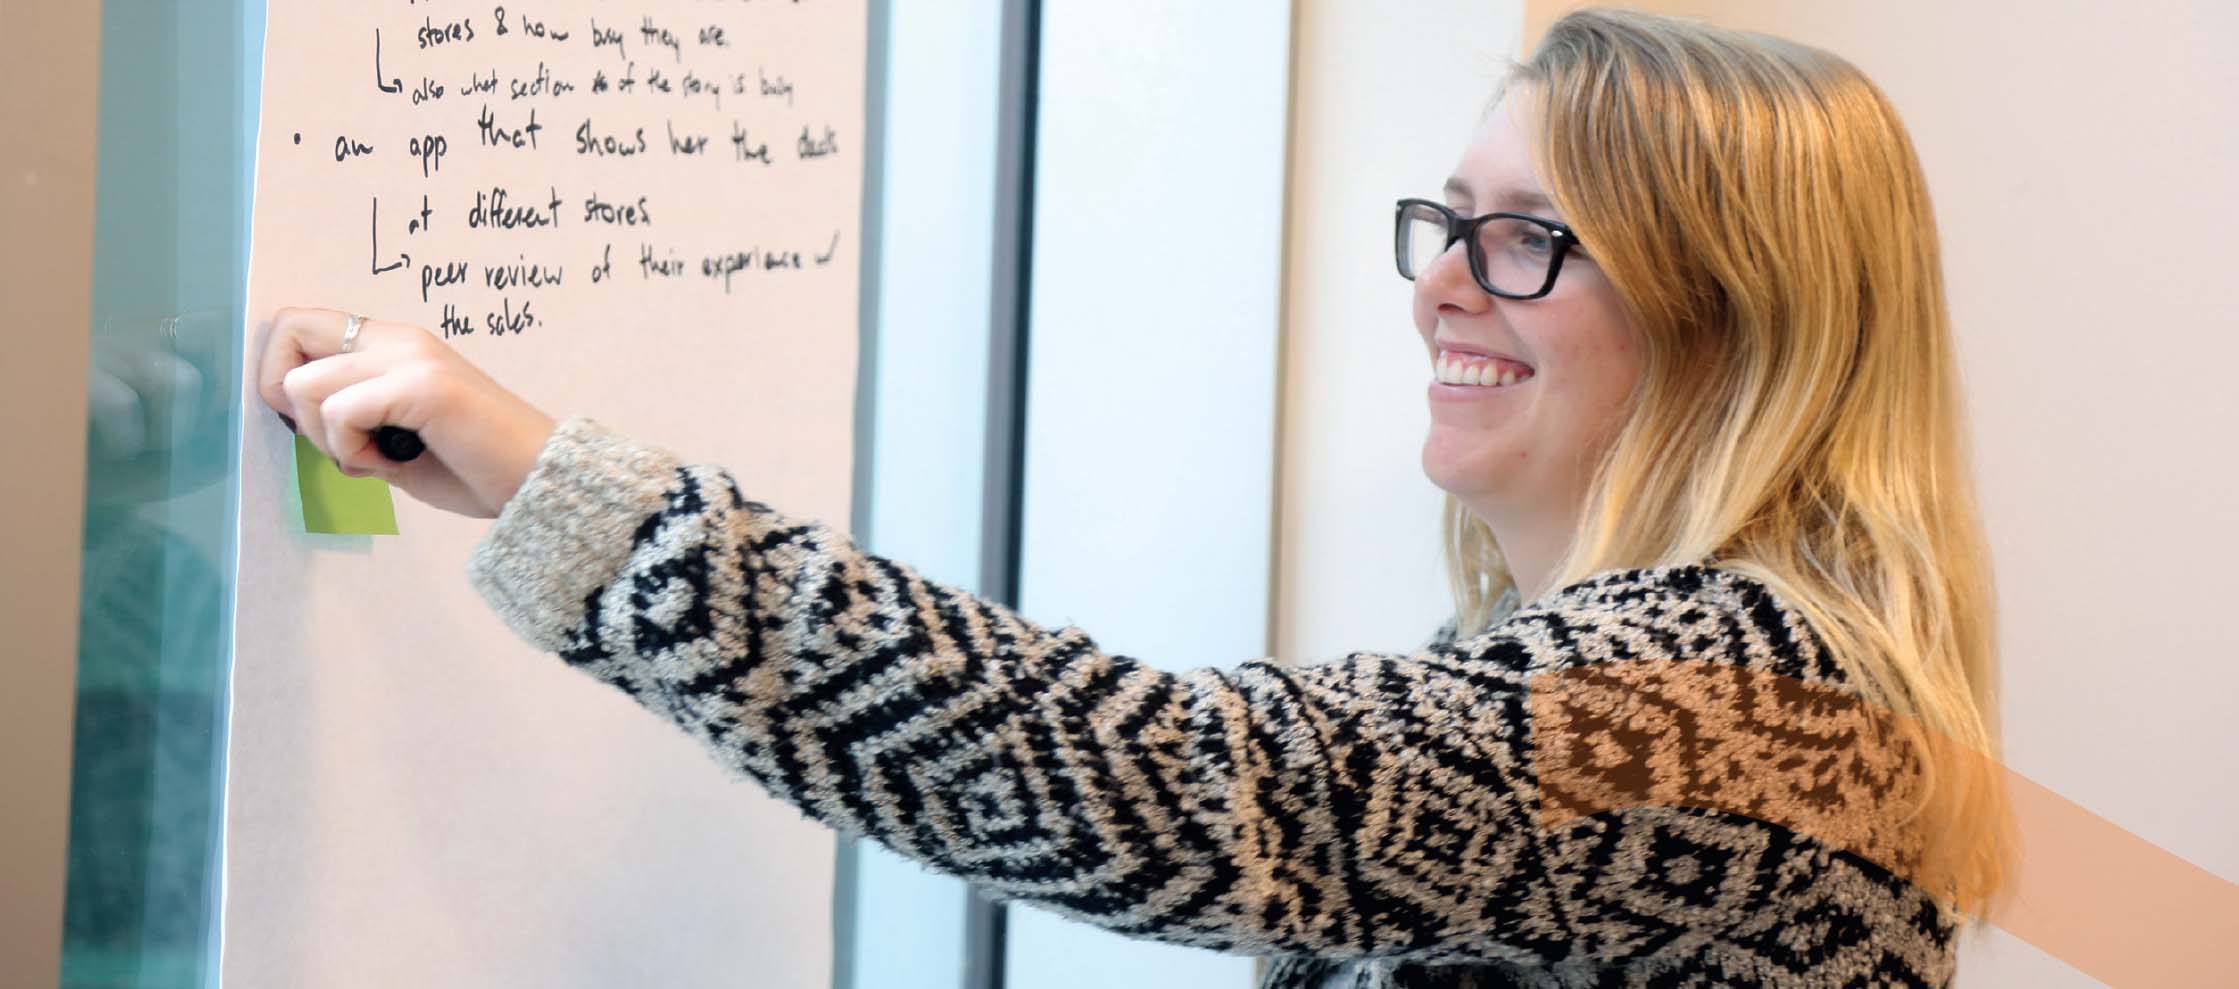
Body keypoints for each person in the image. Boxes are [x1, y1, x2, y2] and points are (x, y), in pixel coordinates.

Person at [259, 8, 2015, 987]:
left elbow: (1175, 788)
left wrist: (574, 493)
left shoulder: (1741, 699)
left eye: (1530, 240)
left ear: (1741, 317)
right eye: (1449, 219)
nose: (1444, 288)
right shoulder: (1655, 668)